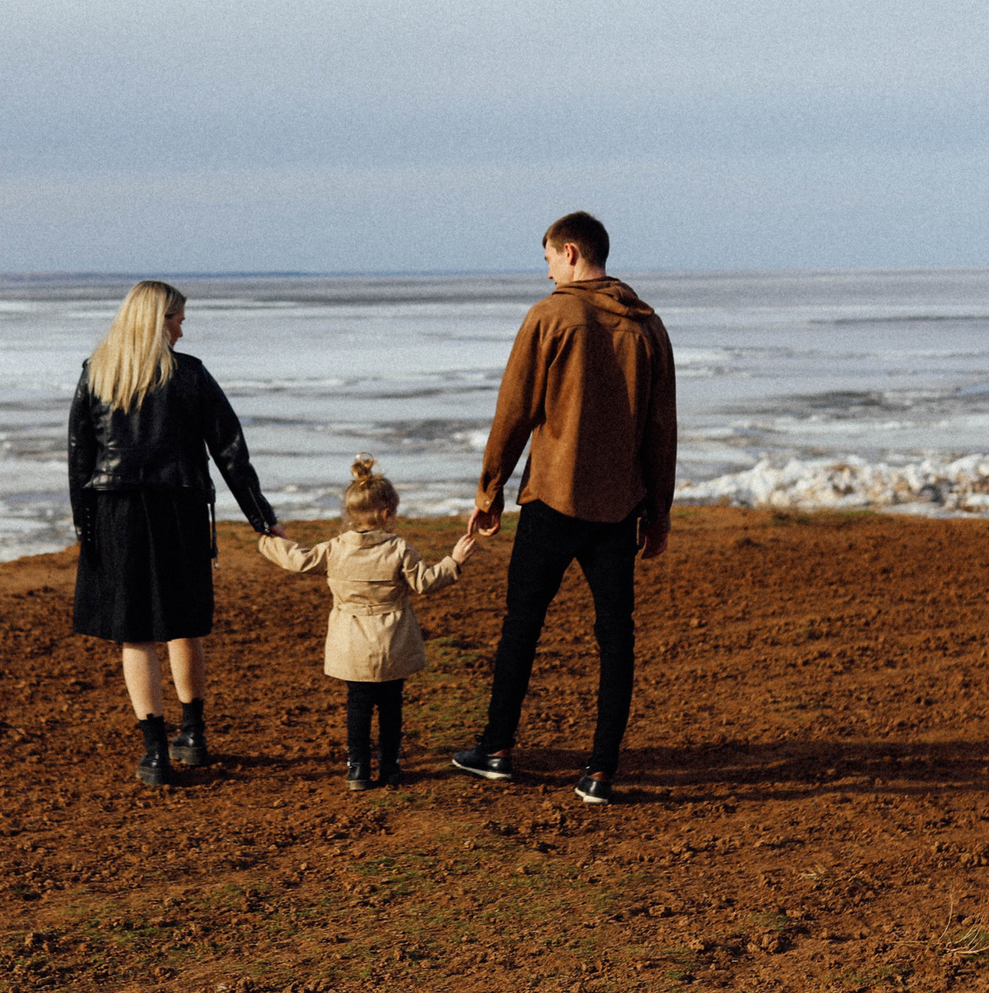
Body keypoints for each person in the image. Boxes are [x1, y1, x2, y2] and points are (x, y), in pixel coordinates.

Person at [451, 211, 677, 805]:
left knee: (521, 625)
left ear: (571, 252)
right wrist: (659, 512)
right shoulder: (647, 324)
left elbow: (514, 409)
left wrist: (489, 490)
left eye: (549, 258)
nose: (548, 270)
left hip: (552, 498)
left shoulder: (551, 315)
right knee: (616, 637)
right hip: (619, 506)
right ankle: (601, 772)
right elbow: (662, 430)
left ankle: (497, 750)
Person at [68, 280, 281, 787]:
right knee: (183, 622)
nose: (182, 330)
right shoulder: (190, 375)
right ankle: (194, 734)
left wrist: (85, 529)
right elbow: (230, 449)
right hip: (180, 509)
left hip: (116, 512)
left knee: (136, 632)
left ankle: (155, 753)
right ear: (156, 320)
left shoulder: (99, 372)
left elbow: (80, 458)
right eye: (177, 320)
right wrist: (260, 516)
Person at [255, 456, 480, 792]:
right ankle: (390, 767)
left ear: (351, 513)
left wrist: (268, 539)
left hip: (351, 644)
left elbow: (298, 559)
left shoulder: (335, 549)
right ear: (387, 514)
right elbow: (425, 583)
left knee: (358, 707)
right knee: (391, 707)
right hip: (393, 643)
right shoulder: (399, 549)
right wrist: (455, 561)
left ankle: (358, 768)